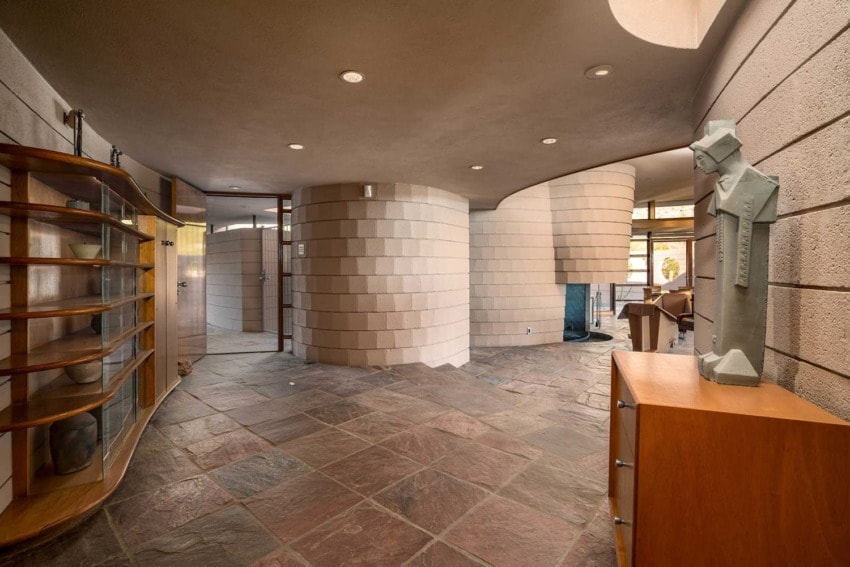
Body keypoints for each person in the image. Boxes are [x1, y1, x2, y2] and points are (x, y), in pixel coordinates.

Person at [690, 120, 778, 386]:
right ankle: (722, 349)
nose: (700, 165)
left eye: (702, 158)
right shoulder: (723, 185)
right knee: (724, 294)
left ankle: (734, 352)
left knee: (736, 295)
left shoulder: (754, 184)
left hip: (741, 267)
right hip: (725, 260)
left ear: (719, 154)